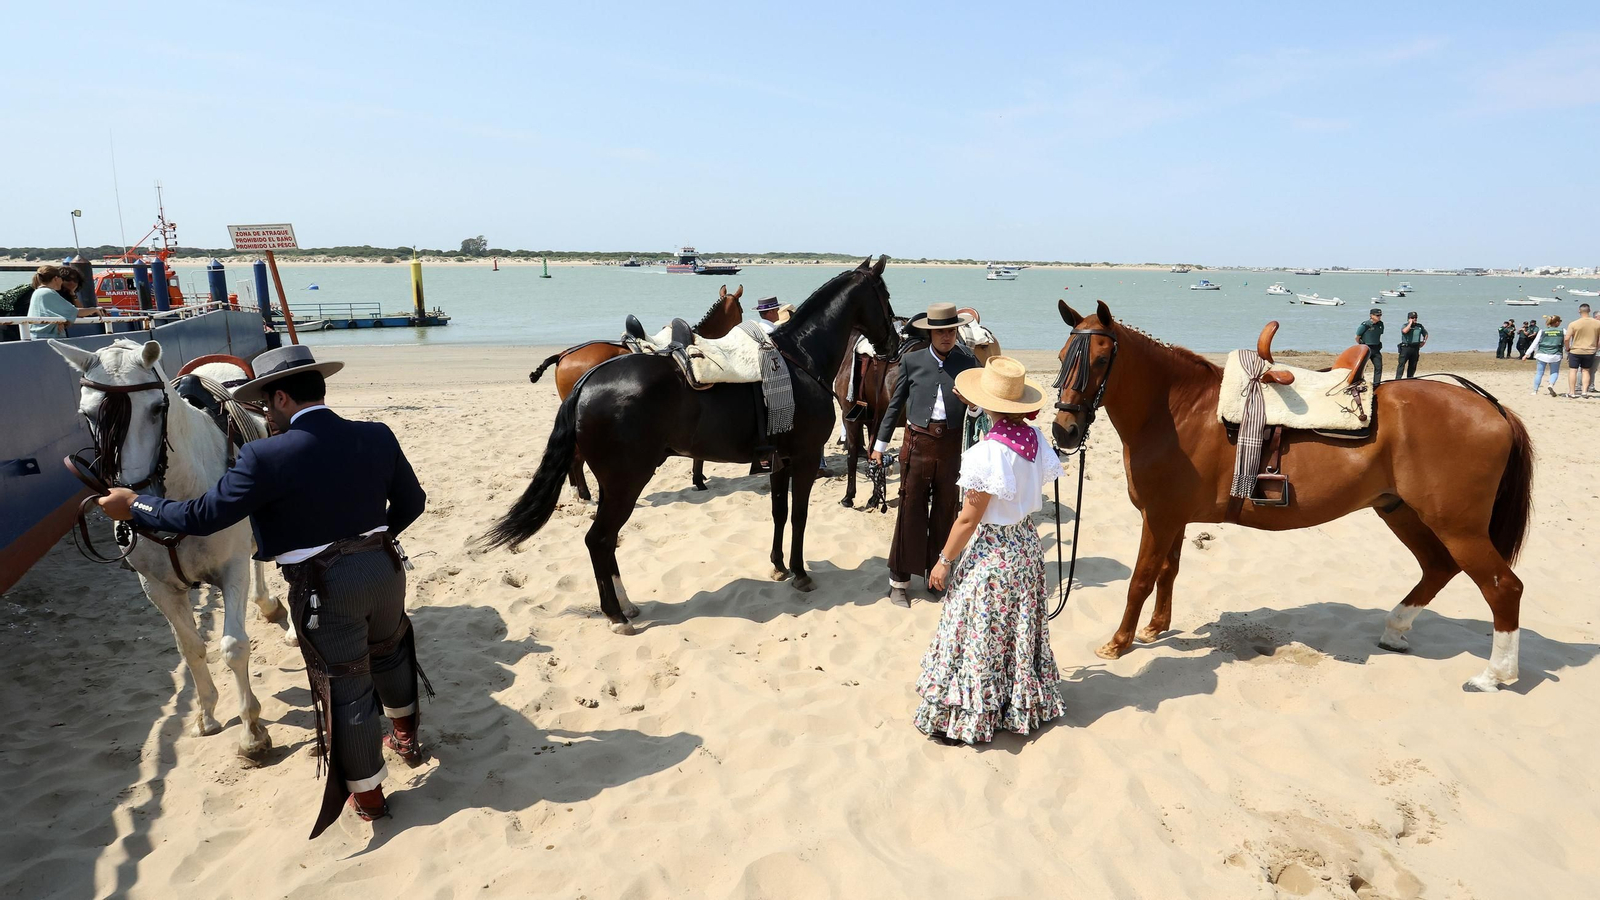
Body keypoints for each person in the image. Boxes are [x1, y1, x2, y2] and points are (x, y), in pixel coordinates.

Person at [96, 345, 429, 837]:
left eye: (266, 406)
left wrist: (137, 506)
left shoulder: (264, 455)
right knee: (391, 650)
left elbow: (203, 516)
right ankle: (405, 737)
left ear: (282, 398)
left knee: (347, 687)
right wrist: (373, 541)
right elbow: (413, 501)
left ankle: (371, 798)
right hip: (385, 567)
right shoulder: (376, 434)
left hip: (325, 584)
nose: (264, 416)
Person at [914, 356, 1066, 745]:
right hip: (1027, 545)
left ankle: (973, 715)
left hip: (995, 549)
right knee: (1018, 626)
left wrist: (944, 561)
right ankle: (1018, 703)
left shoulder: (986, 453)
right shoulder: (1035, 440)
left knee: (977, 627)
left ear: (986, 403)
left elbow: (968, 518)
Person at [869, 302, 981, 607]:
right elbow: (895, 406)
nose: (947, 336)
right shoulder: (912, 361)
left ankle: (936, 578)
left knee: (945, 511)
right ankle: (899, 583)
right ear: (931, 333)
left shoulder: (968, 362)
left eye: (951, 331)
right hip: (916, 445)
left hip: (951, 448)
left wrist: (971, 404)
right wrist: (880, 445)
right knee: (910, 510)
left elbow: (981, 407)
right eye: (941, 331)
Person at [24, 264, 100, 338]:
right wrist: (95, 309)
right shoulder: (48, 293)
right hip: (47, 337)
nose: (62, 282)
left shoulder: (38, 292)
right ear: (56, 279)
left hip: (37, 336)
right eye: (62, 279)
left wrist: (60, 322)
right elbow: (77, 312)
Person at [1525, 314, 1564, 396]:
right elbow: (1567, 341)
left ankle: (1535, 391)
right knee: (1554, 372)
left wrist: (1527, 354)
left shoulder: (1542, 331)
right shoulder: (1562, 331)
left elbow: (1535, 343)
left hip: (1542, 354)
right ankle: (1551, 384)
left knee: (1539, 373)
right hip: (1555, 354)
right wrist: (1569, 352)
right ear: (1556, 322)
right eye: (1559, 321)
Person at [1565, 303, 1599, 398]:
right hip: (1590, 350)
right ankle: (1584, 391)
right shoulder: (1597, 323)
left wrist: (1568, 348)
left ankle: (1572, 392)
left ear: (1579, 311)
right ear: (1589, 310)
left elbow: (1567, 338)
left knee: (1573, 370)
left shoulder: (1574, 323)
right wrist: (1596, 347)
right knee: (1586, 371)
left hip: (1576, 350)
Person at [1355, 308, 1385, 384]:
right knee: (1361, 367)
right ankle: (1359, 381)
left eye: (1380, 315)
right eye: (1377, 315)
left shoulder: (1380, 324)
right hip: (1366, 348)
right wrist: (1362, 345)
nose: (1379, 317)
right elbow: (1357, 336)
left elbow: (1379, 334)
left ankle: (1376, 383)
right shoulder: (1365, 324)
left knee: (1379, 367)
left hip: (1376, 348)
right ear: (1371, 316)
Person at [1396, 311, 1428, 379]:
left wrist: (1424, 341)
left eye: (1415, 317)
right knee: (1401, 364)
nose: (1414, 319)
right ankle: (1398, 379)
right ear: (1409, 318)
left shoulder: (1419, 326)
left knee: (1413, 365)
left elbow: (1425, 334)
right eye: (1412, 318)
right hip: (1406, 348)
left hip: (1415, 348)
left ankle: (1410, 378)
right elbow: (1404, 331)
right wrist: (1410, 323)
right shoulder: (1405, 325)